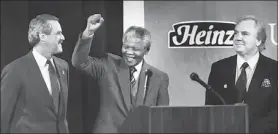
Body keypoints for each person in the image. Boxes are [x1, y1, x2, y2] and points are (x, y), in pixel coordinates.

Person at [72, 14, 169, 133]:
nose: (129, 52)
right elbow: (80, 63)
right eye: (126, 47)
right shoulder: (108, 64)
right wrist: (88, 32)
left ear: (146, 50)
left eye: (135, 49)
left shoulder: (159, 77)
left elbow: (162, 117)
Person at [205, 15, 277, 133]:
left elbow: (276, 115)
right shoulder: (218, 68)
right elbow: (209, 110)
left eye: (245, 34)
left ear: (259, 40)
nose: (238, 38)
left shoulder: (275, 69)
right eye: (236, 33)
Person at [1, 14, 69, 133]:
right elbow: (3, 117)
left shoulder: (63, 67)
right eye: (58, 33)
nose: (63, 37)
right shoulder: (15, 70)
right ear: (42, 36)